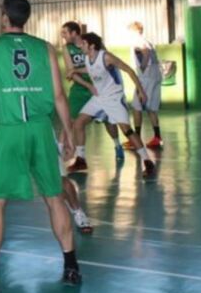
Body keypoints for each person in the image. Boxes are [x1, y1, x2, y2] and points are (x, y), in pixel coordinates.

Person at [0, 0, 81, 293]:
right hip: (41, 129)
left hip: (9, 129)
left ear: (5, 16)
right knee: (54, 197)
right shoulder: (46, 48)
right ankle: (71, 267)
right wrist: (68, 134)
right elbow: (59, 96)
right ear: (25, 17)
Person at [68, 33, 156, 179]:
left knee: (127, 131)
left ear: (91, 46)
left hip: (114, 97)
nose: (80, 46)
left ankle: (147, 161)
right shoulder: (86, 57)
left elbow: (129, 70)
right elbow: (90, 69)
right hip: (99, 97)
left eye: (83, 43)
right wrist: (75, 70)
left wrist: (141, 91)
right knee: (78, 123)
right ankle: (80, 160)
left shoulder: (106, 57)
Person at [61, 22, 125, 162]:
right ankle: (68, 152)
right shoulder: (67, 48)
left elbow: (107, 61)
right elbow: (71, 71)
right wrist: (87, 85)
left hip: (99, 86)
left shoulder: (90, 42)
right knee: (71, 120)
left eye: (65, 33)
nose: (62, 36)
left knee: (109, 121)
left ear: (74, 33)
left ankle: (117, 144)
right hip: (80, 87)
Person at [124, 22, 164, 149]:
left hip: (146, 77)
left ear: (136, 31)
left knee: (136, 107)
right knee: (152, 108)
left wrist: (141, 68)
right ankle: (157, 138)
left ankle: (135, 140)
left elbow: (145, 53)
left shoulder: (138, 41)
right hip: (156, 75)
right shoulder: (148, 41)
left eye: (130, 32)